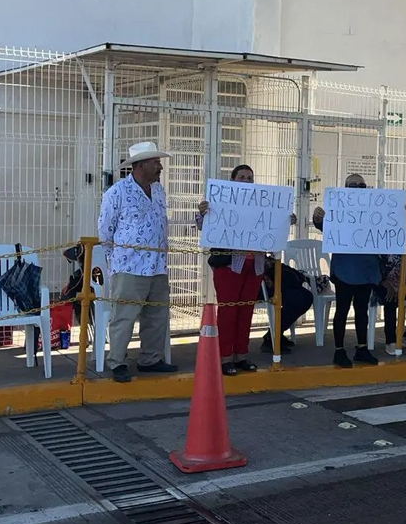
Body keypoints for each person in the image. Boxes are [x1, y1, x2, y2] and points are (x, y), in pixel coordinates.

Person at [194, 164, 296, 375]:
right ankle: (225, 357)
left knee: (246, 311)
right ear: (233, 180)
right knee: (228, 311)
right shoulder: (220, 202)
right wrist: (203, 212)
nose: (246, 180)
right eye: (241, 177)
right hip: (229, 266)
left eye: (250, 177)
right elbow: (204, 225)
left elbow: (273, 224)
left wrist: (287, 220)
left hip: (255, 265)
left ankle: (241, 355)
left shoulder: (261, 203)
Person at [98, 141, 179, 383]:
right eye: (156, 162)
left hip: (157, 265)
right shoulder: (117, 193)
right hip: (129, 266)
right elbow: (105, 231)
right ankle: (117, 361)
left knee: (156, 315)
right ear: (140, 165)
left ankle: (150, 359)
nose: (160, 166)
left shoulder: (158, 191)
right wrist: (118, 260)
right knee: (124, 315)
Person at [312, 174, 380, 368]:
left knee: (361, 310)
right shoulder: (338, 209)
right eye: (353, 185)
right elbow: (326, 226)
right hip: (344, 268)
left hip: (366, 268)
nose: (358, 188)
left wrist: (399, 211)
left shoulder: (372, 210)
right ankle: (339, 351)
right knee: (342, 309)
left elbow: (385, 224)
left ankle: (362, 348)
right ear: (345, 187)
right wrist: (318, 220)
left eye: (362, 185)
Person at [377, 246, 406, 354]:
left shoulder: (401, 245)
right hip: (383, 284)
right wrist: (386, 284)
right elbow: (373, 270)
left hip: (404, 283)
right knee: (390, 300)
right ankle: (391, 341)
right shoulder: (377, 245)